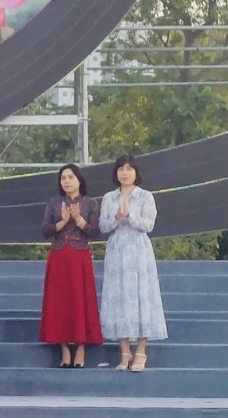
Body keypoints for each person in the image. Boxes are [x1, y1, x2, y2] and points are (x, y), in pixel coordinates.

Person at [99, 155, 167, 372]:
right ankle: (124, 351)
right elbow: (102, 226)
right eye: (121, 169)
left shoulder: (145, 196)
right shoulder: (109, 197)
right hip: (117, 249)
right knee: (119, 297)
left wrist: (130, 218)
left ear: (136, 172)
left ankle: (141, 351)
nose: (125, 173)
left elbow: (149, 224)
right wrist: (117, 218)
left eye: (129, 169)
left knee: (141, 297)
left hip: (138, 248)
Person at [39, 163, 102, 368]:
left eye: (70, 177)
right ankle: (65, 349)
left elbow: (94, 231)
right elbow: (45, 229)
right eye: (63, 178)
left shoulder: (90, 203)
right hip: (58, 256)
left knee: (80, 301)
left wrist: (78, 219)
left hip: (79, 256)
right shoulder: (54, 203)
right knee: (60, 303)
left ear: (79, 180)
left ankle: (81, 348)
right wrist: (63, 221)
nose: (66, 181)